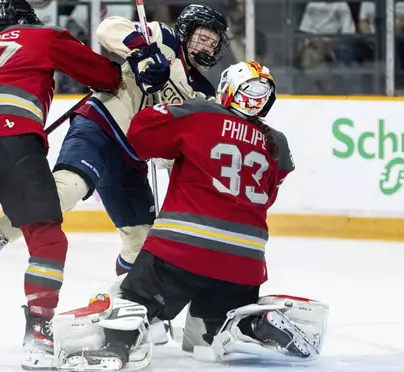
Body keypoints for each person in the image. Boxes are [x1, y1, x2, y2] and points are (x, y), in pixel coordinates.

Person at [50, 61, 328, 370]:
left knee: (131, 299)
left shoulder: (200, 113)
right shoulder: (277, 142)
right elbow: (271, 189)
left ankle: (119, 345)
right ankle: (246, 325)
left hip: (182, 249)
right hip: (245, 263)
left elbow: (140, 136)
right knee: (209, 333)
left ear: (228, 90)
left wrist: (162, 109)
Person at [0, 0, 123, 369]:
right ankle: (38, 331)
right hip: (12, 139)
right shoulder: (44, 35)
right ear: (29, 19)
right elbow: (105, 77)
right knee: (46, 236)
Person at [0, 4, 229, 281]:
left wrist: (170, 154)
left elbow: (186, 143)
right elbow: (108, 29)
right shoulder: (162, 37)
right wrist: (142, 53)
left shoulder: (203, 93)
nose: (207, 47)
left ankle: (124, 302)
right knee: (68, 189)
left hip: (131, 160)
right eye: (202, 38)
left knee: (142, 244)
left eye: (212, 43)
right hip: (101, 124)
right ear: (186, 30)